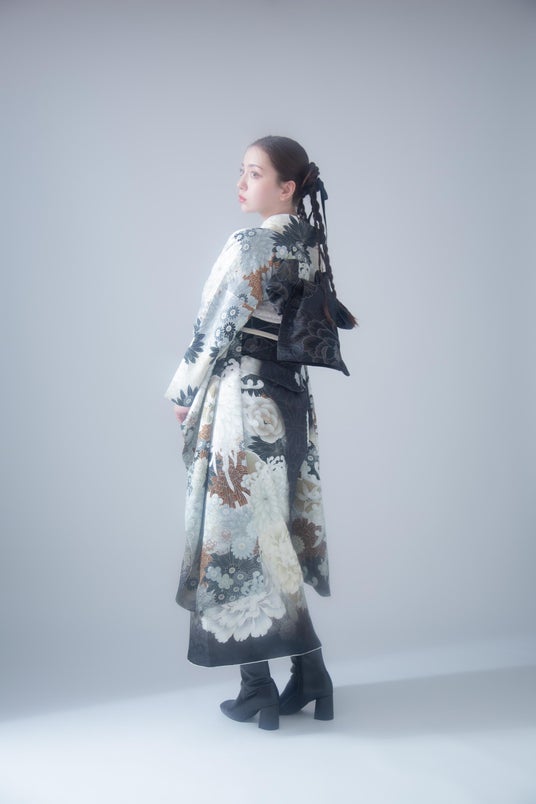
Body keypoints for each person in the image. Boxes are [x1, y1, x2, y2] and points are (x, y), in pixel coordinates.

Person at [164, 135, 355, 730]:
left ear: (287, 187)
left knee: (238, 541)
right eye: (242, 171)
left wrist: (183, 390)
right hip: (290, 399)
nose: (241, 183)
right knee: (275, 538)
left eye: (254, 173)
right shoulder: (310, 244)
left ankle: (257, 690)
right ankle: (311, 675)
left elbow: (216, 324)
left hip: (244, 400)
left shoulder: (252, 242)